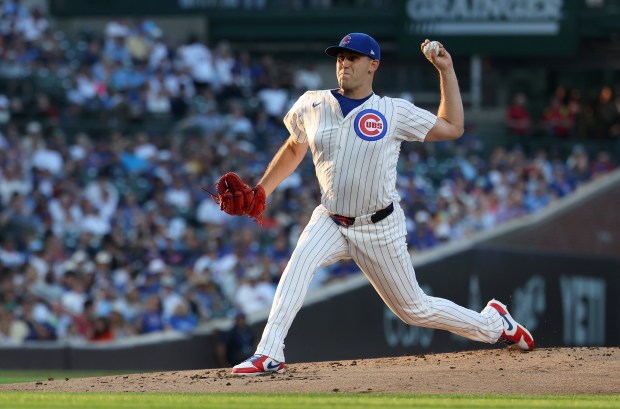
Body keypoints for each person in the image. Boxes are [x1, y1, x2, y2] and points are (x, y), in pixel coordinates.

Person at [222, 33, 535, 376]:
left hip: (379, 226)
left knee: (413, 309)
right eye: (340, 57)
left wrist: (446, 71)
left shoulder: (392, 111)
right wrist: (263, 188)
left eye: (353, 57)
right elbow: (295, 146)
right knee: (298, 267)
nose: (344, 62)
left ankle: (494, 323)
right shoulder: (311, 103)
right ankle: (269, 352)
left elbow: (452, 127)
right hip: (330, 219)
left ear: (373, 65)